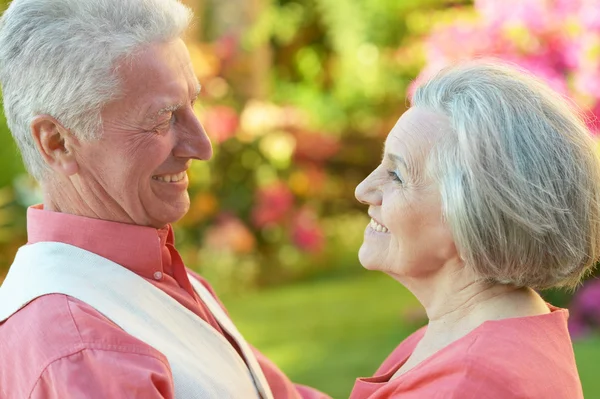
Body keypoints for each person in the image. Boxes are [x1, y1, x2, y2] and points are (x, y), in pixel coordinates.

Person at [0, 1, 330, 398]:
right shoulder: (86, 350)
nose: (202, 146)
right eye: (162, 119)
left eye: (193, 103)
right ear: (57, 143)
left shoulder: (146, 272)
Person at [350, 61, 600, 399]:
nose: (363, 190)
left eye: (396, 175)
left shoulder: (469, 384)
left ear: (474, 214)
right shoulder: (467, 333)